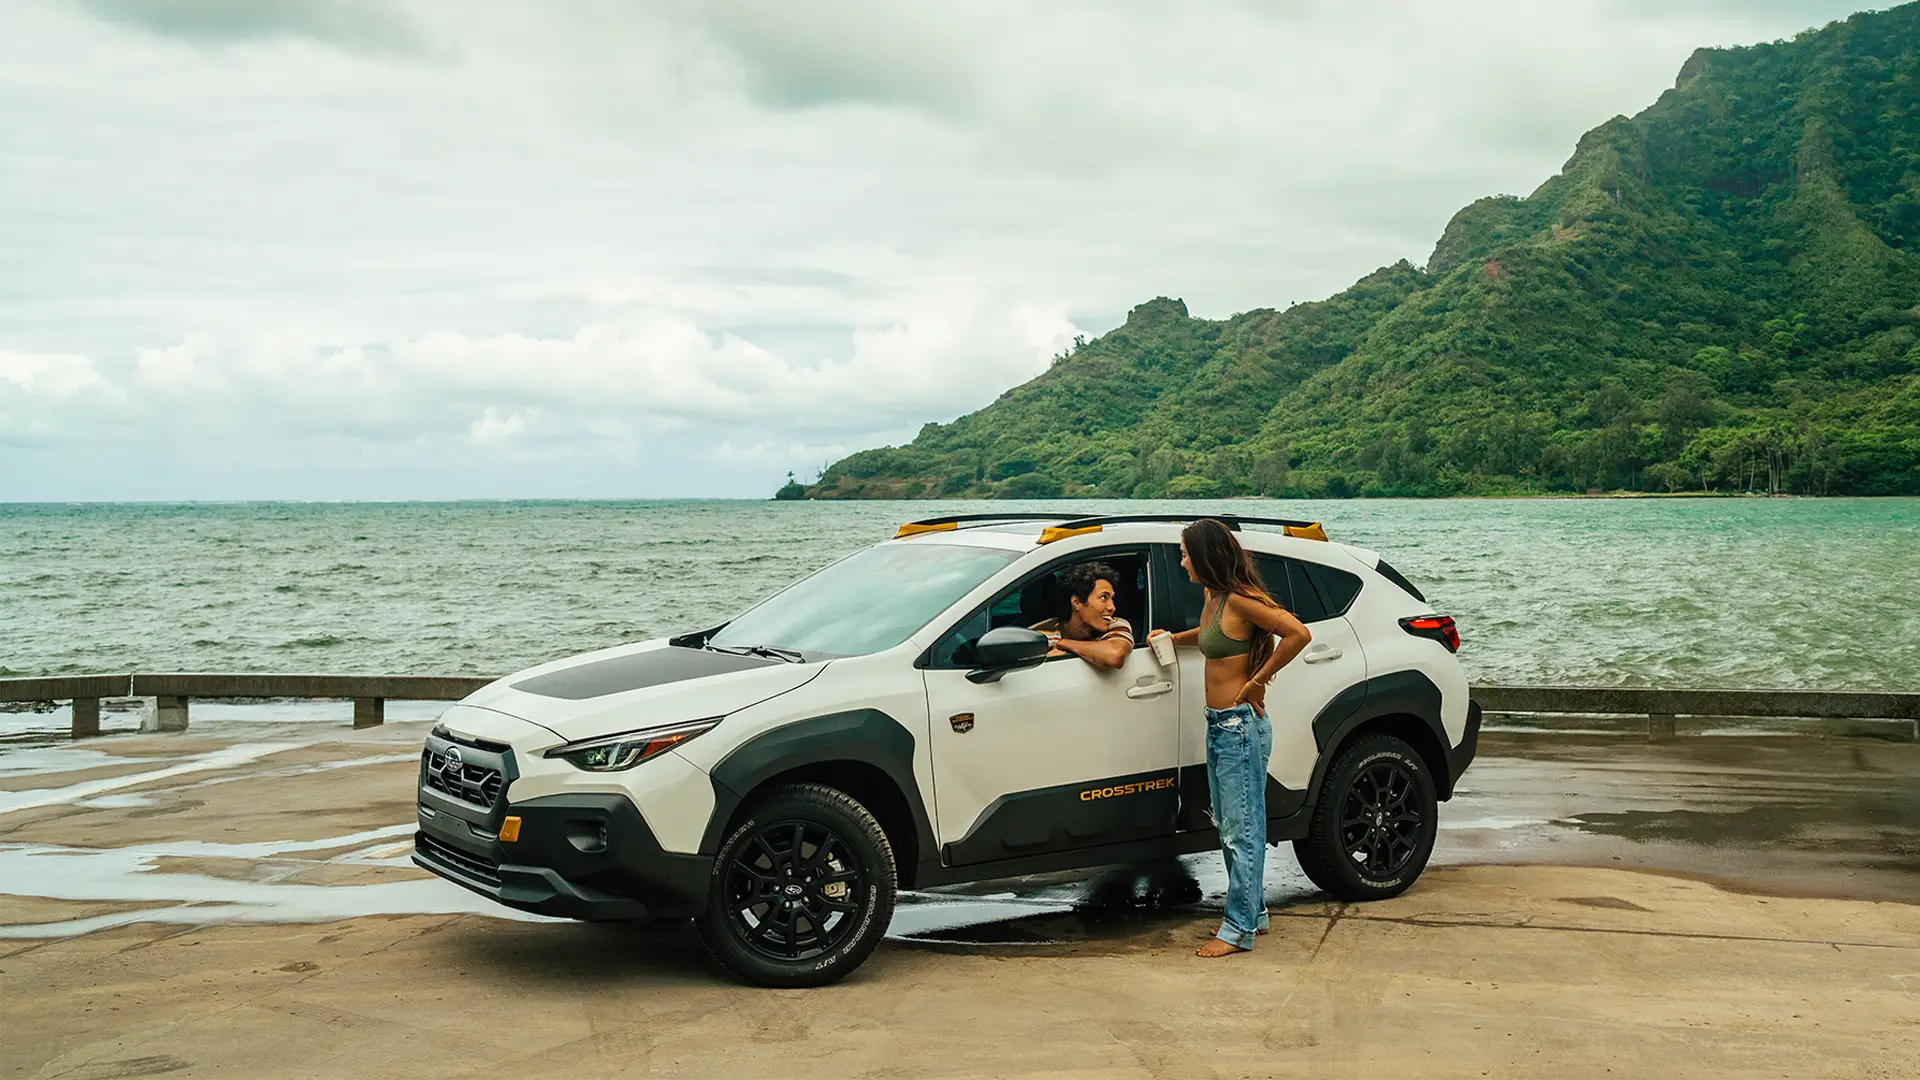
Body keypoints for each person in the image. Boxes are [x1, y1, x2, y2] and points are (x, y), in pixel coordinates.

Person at [1147, 519, 1311, 958]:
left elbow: (1298, 633)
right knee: (1229, 828)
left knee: (1243, 832)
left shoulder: (1240, 599)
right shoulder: (1215, 596)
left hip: (1240, 727)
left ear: (1204, 556)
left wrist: (1259, 680)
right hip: (1220, 726)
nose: (1180, 561)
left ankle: (1237, 930)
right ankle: (1253, 914)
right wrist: (1169, 639)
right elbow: (1210, 639)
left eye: (1184, 553)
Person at [1030, 561, 1134, 669]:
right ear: (1077, 603)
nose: (1112, 607)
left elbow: (1114, 655)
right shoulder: (1040, 635)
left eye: (1112, 599)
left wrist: (1064, 644)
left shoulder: (1115, 625)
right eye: (1103, 597)